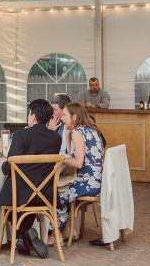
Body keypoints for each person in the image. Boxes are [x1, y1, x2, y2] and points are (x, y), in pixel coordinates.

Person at [0, 99, 61, 259]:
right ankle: (25, 236)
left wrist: (3, 163)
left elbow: (10, 168)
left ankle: (23, 234)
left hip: (21, 193)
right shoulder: (56, 138)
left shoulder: (20, 135)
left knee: (9, 200)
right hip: (45, 194)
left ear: (32, 116)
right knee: (30, 198)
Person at [50, 102, 105, 246]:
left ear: (74, 117)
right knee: (63, 190)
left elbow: (78, 163)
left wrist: (59, 160)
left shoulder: (78, 132)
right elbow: (72, 155)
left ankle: (54, 235)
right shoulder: (91, 129)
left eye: (65, 115)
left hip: (88, 183)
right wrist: (67, 135)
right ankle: (65, 232)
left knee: (57, 194)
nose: (62, 118)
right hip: (97, 180)